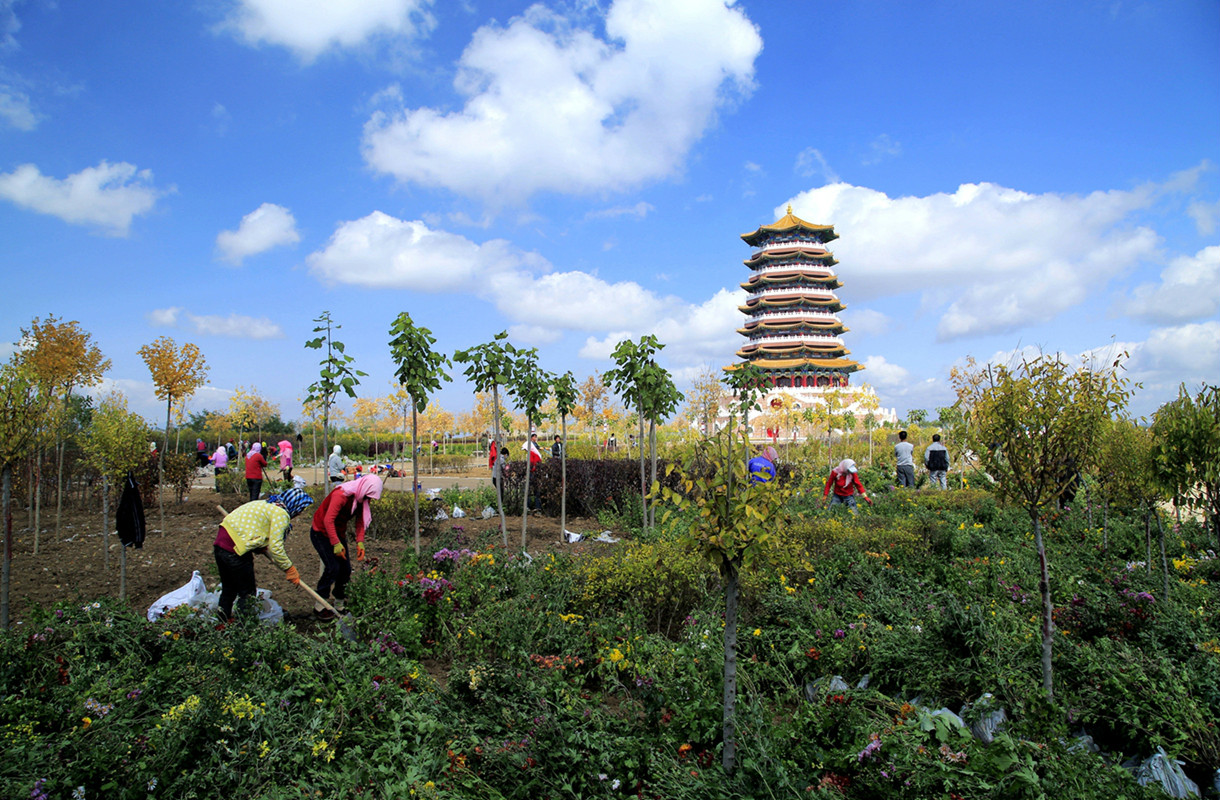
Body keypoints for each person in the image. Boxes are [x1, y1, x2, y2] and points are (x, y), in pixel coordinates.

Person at [213, 488, 313, 621]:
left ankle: (221, 621)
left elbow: (251, 528)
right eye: (300, 509)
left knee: (229, 588)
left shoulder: (268, 505)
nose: (299, 514)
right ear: (295, 505)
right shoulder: (281, 514)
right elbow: (276, 547)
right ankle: (244, 628)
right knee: (247, 594)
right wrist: (289, 568)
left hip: (221, 545)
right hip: (235, 551)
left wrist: (258, 546)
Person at [310, 474, 382, 618]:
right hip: (321, 532)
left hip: (338, 533)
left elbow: (360, 521)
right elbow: (328, 520)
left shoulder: (361, 498)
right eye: (369, 496)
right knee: (332, 568)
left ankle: (339, 604)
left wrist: (360, 542)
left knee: (345, 569)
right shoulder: (341, 495)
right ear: (365, 488)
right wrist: (336, 544)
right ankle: (320, 605)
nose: (369, 500)